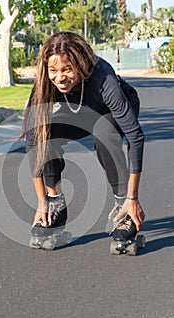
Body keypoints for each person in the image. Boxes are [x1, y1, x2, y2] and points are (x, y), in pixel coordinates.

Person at [22, 31, 145, 244]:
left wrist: (132, 198)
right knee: (45, 132)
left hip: (108, 112)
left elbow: (135, 136)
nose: (59, 78)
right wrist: (42, 200)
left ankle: (122, 207)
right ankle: (56, 202)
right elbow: (33, 141)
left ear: (80, 65)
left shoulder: (102, 78)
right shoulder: (45, 82)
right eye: (53, 70)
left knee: (104, 133)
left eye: (67, 70)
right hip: (78, 110)